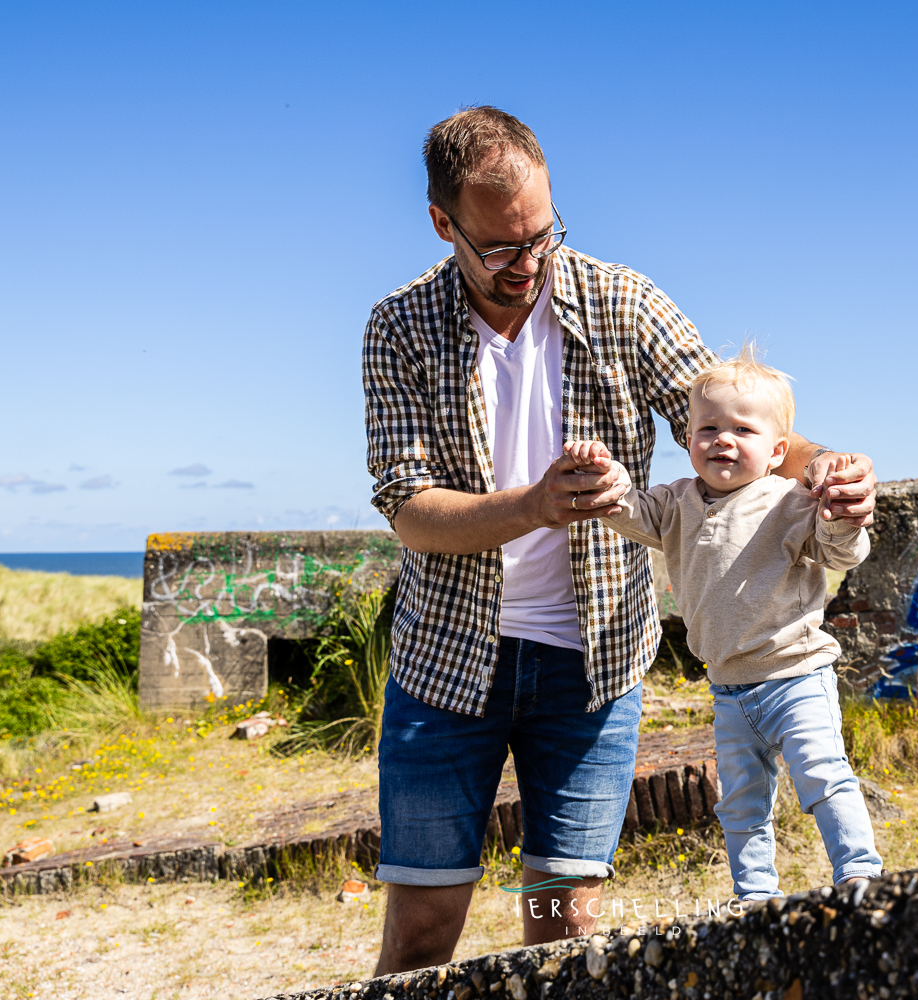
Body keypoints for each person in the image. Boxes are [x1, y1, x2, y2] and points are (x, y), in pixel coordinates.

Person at [362, 106, 879, 974]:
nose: (528, 263)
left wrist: (833, 467)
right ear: (442, 223)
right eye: (499, 248)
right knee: (421, 930)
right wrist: (532, 505)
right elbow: (408, 507)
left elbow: (735, 422)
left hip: (593, 669)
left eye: (542, 235)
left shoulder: (623, 302)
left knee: (563, 930)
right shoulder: (399, 328)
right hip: (446, 664)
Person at [566, 346, 882, 901]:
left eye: (743, 429)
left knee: (821, 773)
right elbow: (626, 509)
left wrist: (841, 517)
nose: (723, 440)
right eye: (707, 427)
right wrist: (605, 473)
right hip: (729, 690)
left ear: (778, 449)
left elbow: (841, 552)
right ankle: (754, 894)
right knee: (739, 800)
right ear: (687, 440)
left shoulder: (792, 500)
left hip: (796, 675)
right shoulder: (675, 503)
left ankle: (858, 872)